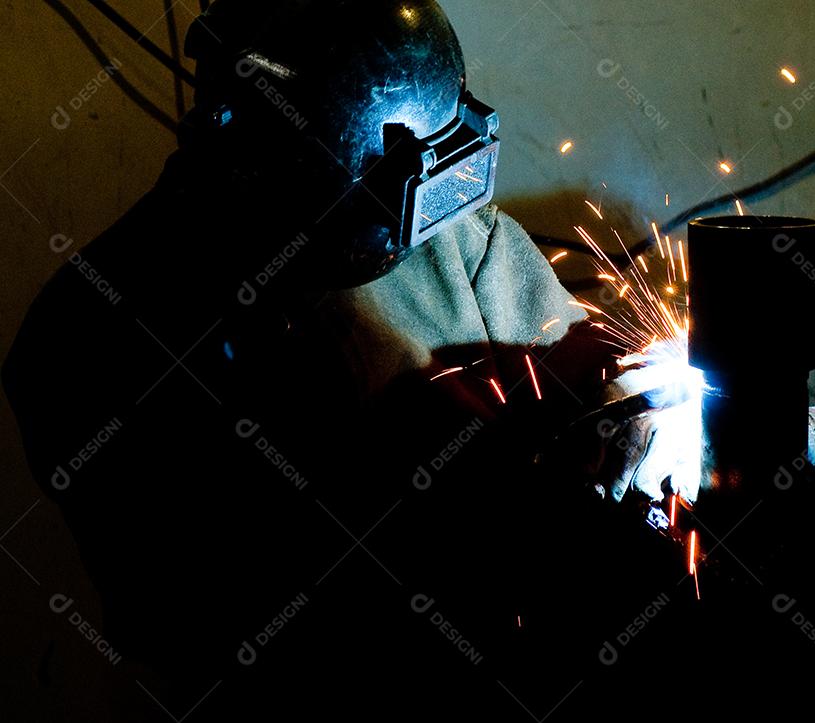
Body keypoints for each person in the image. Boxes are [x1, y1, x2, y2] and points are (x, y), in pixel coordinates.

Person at [3, 1, 699, 717]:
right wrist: (491, 494)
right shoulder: (90, 340)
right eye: (401, 192)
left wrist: (627, 405)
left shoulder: (448, 238)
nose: (435, 216)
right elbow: (229, 622)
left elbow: (578, 377)